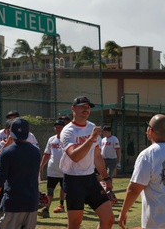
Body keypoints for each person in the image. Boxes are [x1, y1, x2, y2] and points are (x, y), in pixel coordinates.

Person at [118, 114, 165, 229]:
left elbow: (134, 189)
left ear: (150, 130)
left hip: (157, 219)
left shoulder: (147, 154)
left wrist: (123, 212)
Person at [59, 96, 115, 229]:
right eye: (82, 107)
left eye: (88, 107)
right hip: (74, 181)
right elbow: (75, 156)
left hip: (90, 179)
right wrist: (90, 139)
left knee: (109, 219)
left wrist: (106, 178)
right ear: (73, 109)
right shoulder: (68, 131)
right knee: (75, 223)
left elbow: (97, 156)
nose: (86, 109)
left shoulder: (91, 127)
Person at [0, 117, 41, 229]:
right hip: (32, 203)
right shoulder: (36, 151)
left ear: (11, 132)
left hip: (13, 203)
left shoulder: (6, 152)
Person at [38, 119, 66, 218]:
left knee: (66, 191)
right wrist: (41, 166)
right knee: (50, 191)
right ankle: (46, 210)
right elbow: (46, 154)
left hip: (64, 171)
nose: (58, 129)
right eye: (56, 127)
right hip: (52, 171)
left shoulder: (68, 139)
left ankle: (65, 207)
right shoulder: (51, 139)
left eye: (60, 127)